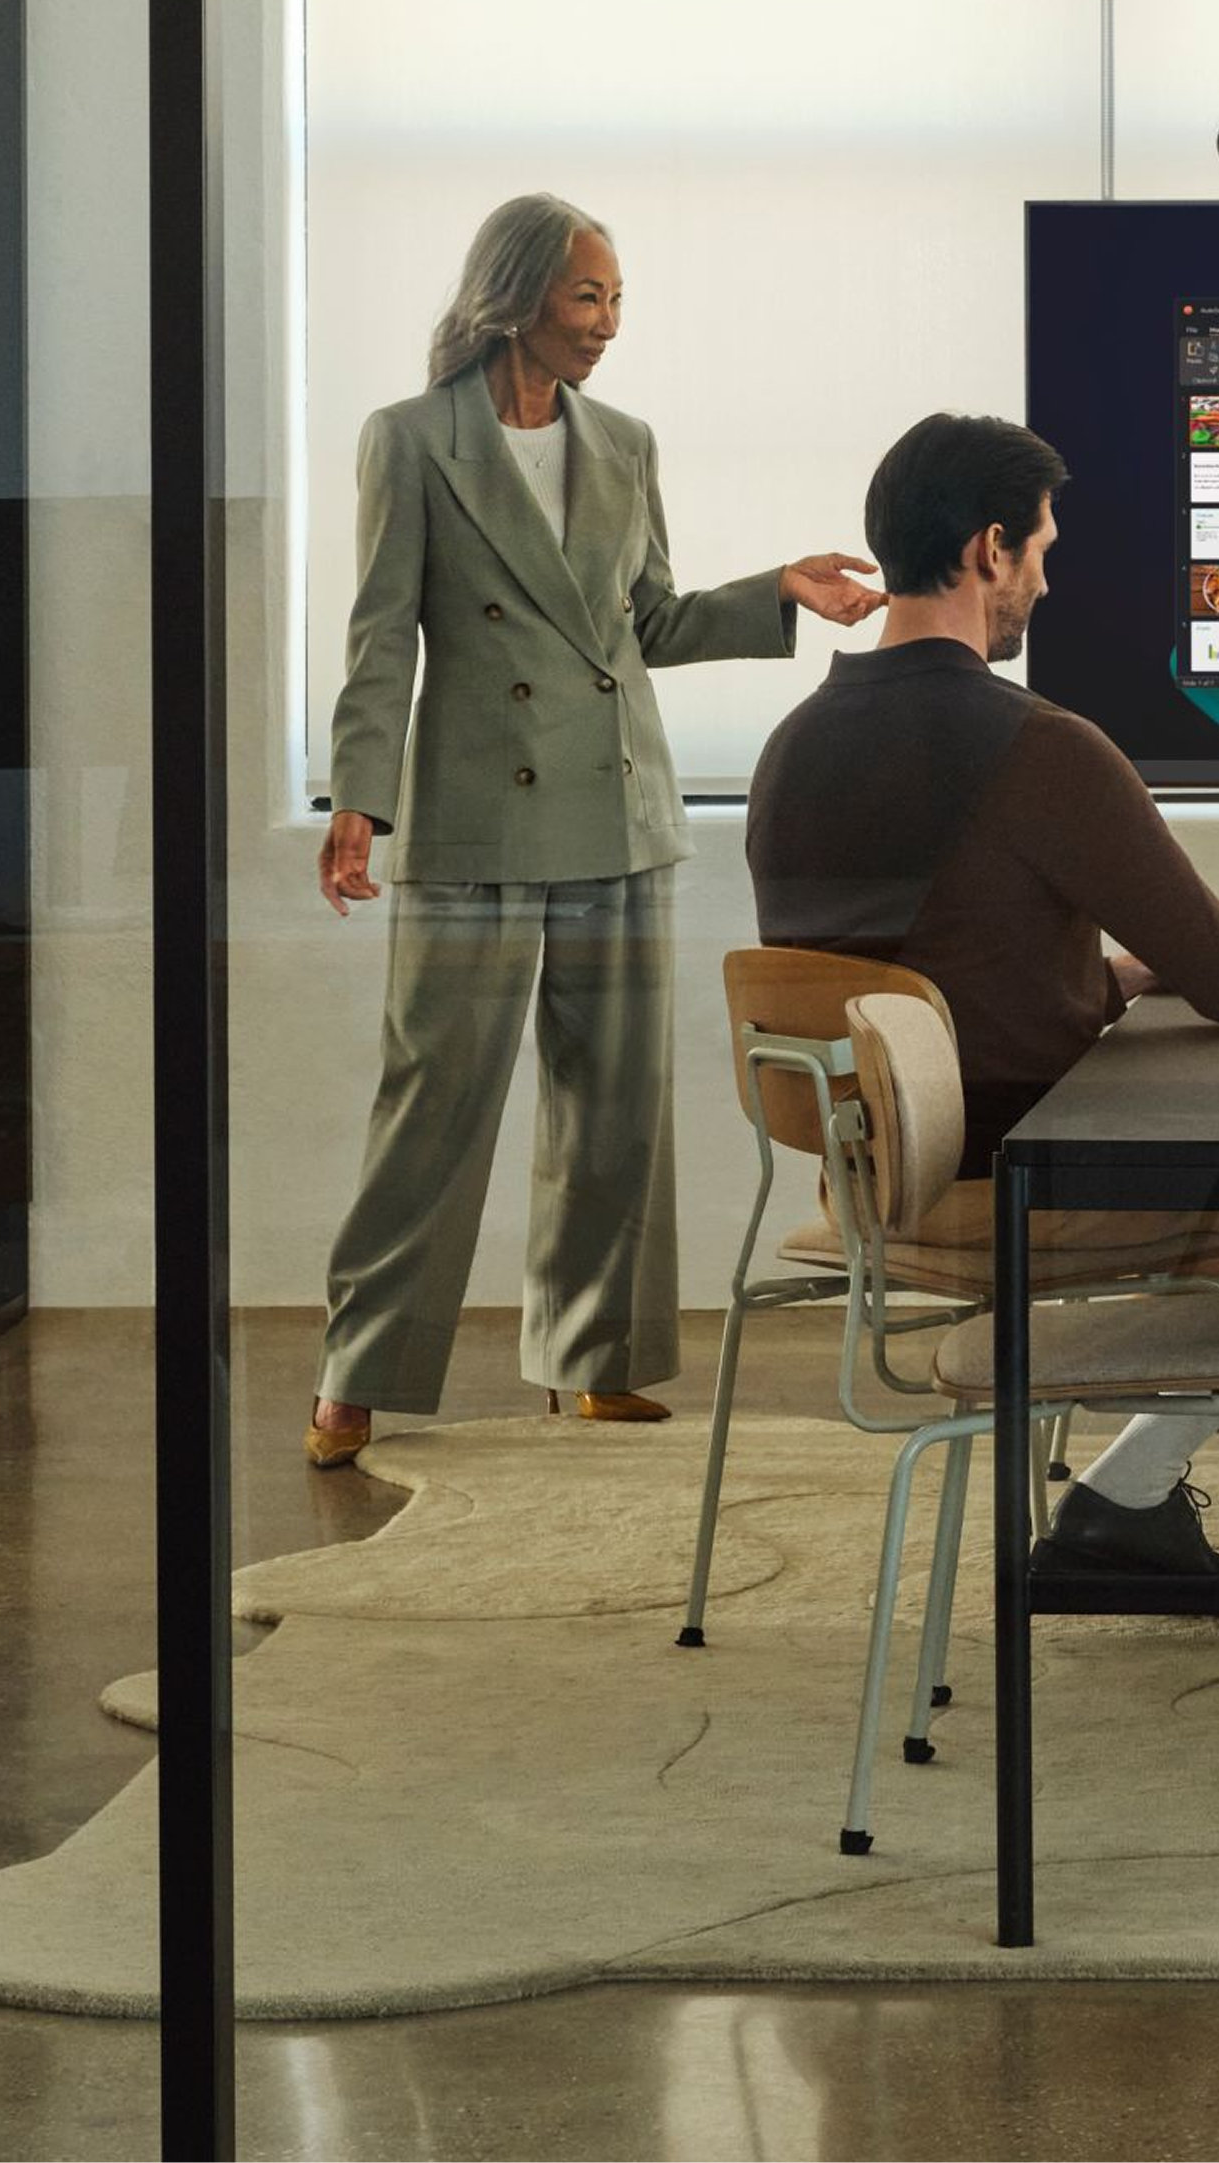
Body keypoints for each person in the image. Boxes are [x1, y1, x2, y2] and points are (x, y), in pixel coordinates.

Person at [746, 412, 1219, 1577]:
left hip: (873, 1182)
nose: (1046, 581)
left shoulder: (793, 742)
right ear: (989, 550)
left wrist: (1106, 978)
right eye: (1042, 551)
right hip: (1008, 1194)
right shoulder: (1039, 747)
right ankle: (1129, 1493)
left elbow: (914, 971)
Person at [304, 193, 886, 1470]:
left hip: (620, 815)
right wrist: (360, 800)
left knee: (615, 1108)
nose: (609, 325)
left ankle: (593, 1364)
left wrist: (775, 592)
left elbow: (649, 624)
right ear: (513, 297)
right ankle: (358, 1372)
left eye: (619, 299)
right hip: (472, 828)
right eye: (588, 297)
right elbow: (378, 633)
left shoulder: (623, 442)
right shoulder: (409, 441)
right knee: (434, 1105)